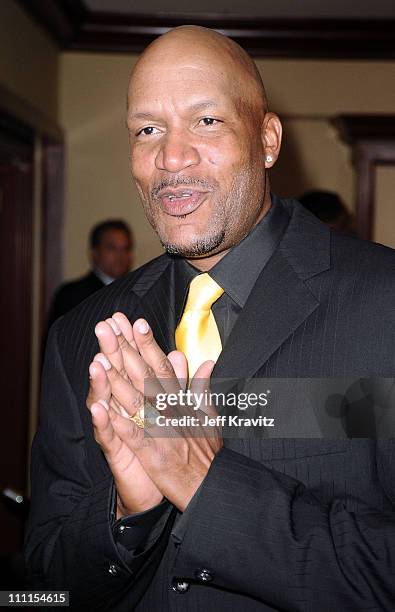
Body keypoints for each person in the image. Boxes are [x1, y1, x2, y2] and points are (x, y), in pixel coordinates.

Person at [25, 26, 395, 611]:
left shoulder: (384, 305)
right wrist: (128, 515)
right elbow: (44, 588)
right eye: (148, 129)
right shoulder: (84, 333)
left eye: (207, 121)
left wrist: (205, 485)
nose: (171, 157)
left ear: (268, 140)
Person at [47, 219, 134, 325]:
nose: (121, 256)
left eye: (126, 248)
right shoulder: (71, 295)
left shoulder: (136, 291)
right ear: (95, 252)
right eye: (112, 248)